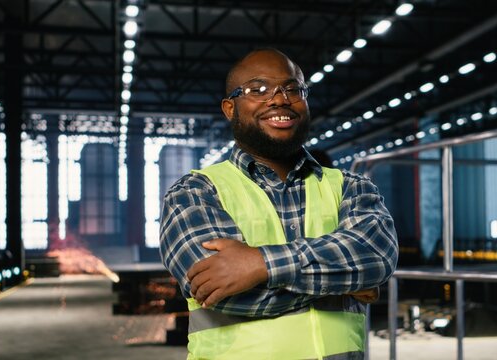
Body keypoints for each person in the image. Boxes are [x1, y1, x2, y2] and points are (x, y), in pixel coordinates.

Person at [159, 48, 398, 359]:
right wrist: (343, 282)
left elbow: (376, 256)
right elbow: (224, 295)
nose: (280, 99)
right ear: (230, 108)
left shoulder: (350, 186)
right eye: (258, 89)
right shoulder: (194, 193)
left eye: (292, 88)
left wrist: (260, 265)